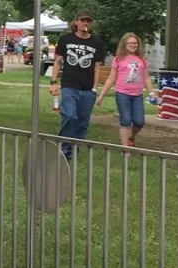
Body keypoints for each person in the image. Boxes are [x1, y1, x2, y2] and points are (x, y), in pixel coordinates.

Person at [49, 10, 106, 158]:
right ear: (76, 22)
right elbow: (58, 61)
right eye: (82, 20)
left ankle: (74, 149)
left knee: (82, 122)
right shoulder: (66, 39)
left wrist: (95, 88)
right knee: (69, 115)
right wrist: (53, 82)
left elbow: (97, 67)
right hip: (69, 85)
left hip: (87, 88)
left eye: (88, 21)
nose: (85, 23)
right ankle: (64, 147)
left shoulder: (96, 43)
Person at [95, 32, 157, 148]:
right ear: (124, 44)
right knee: (126, 120)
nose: (133, 45)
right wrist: (101, 95)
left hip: (137, 95)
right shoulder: (118, 59)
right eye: (130, 43)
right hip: (122, 94)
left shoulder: (142, 59)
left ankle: (131, 136)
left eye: (135, 43)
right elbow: (111, 78)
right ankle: (125, 148)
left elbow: (146, 78)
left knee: (139, 122)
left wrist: (152, 93)